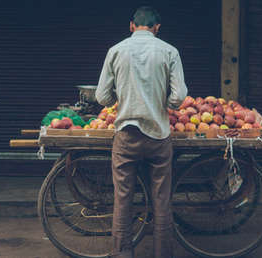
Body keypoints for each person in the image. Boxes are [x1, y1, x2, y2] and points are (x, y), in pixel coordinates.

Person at [95, 6, 188, 258]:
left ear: (131, 26)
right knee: (161, 201)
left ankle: (123, 254)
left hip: (126, 135)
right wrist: (164, 106)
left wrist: (121, 96)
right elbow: (179, 96)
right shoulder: (169, 51)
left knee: (123, 200)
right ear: (157, 28)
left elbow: (101, 96)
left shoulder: (116, 50)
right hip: (158, 135)